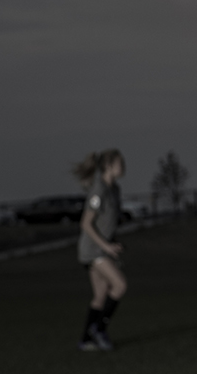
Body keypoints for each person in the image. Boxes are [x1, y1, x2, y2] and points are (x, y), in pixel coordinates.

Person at [73, 149, 127, 352]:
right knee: (120, 285)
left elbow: (107, 222)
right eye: (119, 163)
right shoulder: (99, 189)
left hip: (102, 248)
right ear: (108, 166)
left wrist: (114, 242)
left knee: (100, 295)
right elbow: (86, 224)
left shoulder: (115, 189)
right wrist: (106, 247)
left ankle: (85, 339)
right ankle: (100, 329)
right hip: (92, 250)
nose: (123, 167)